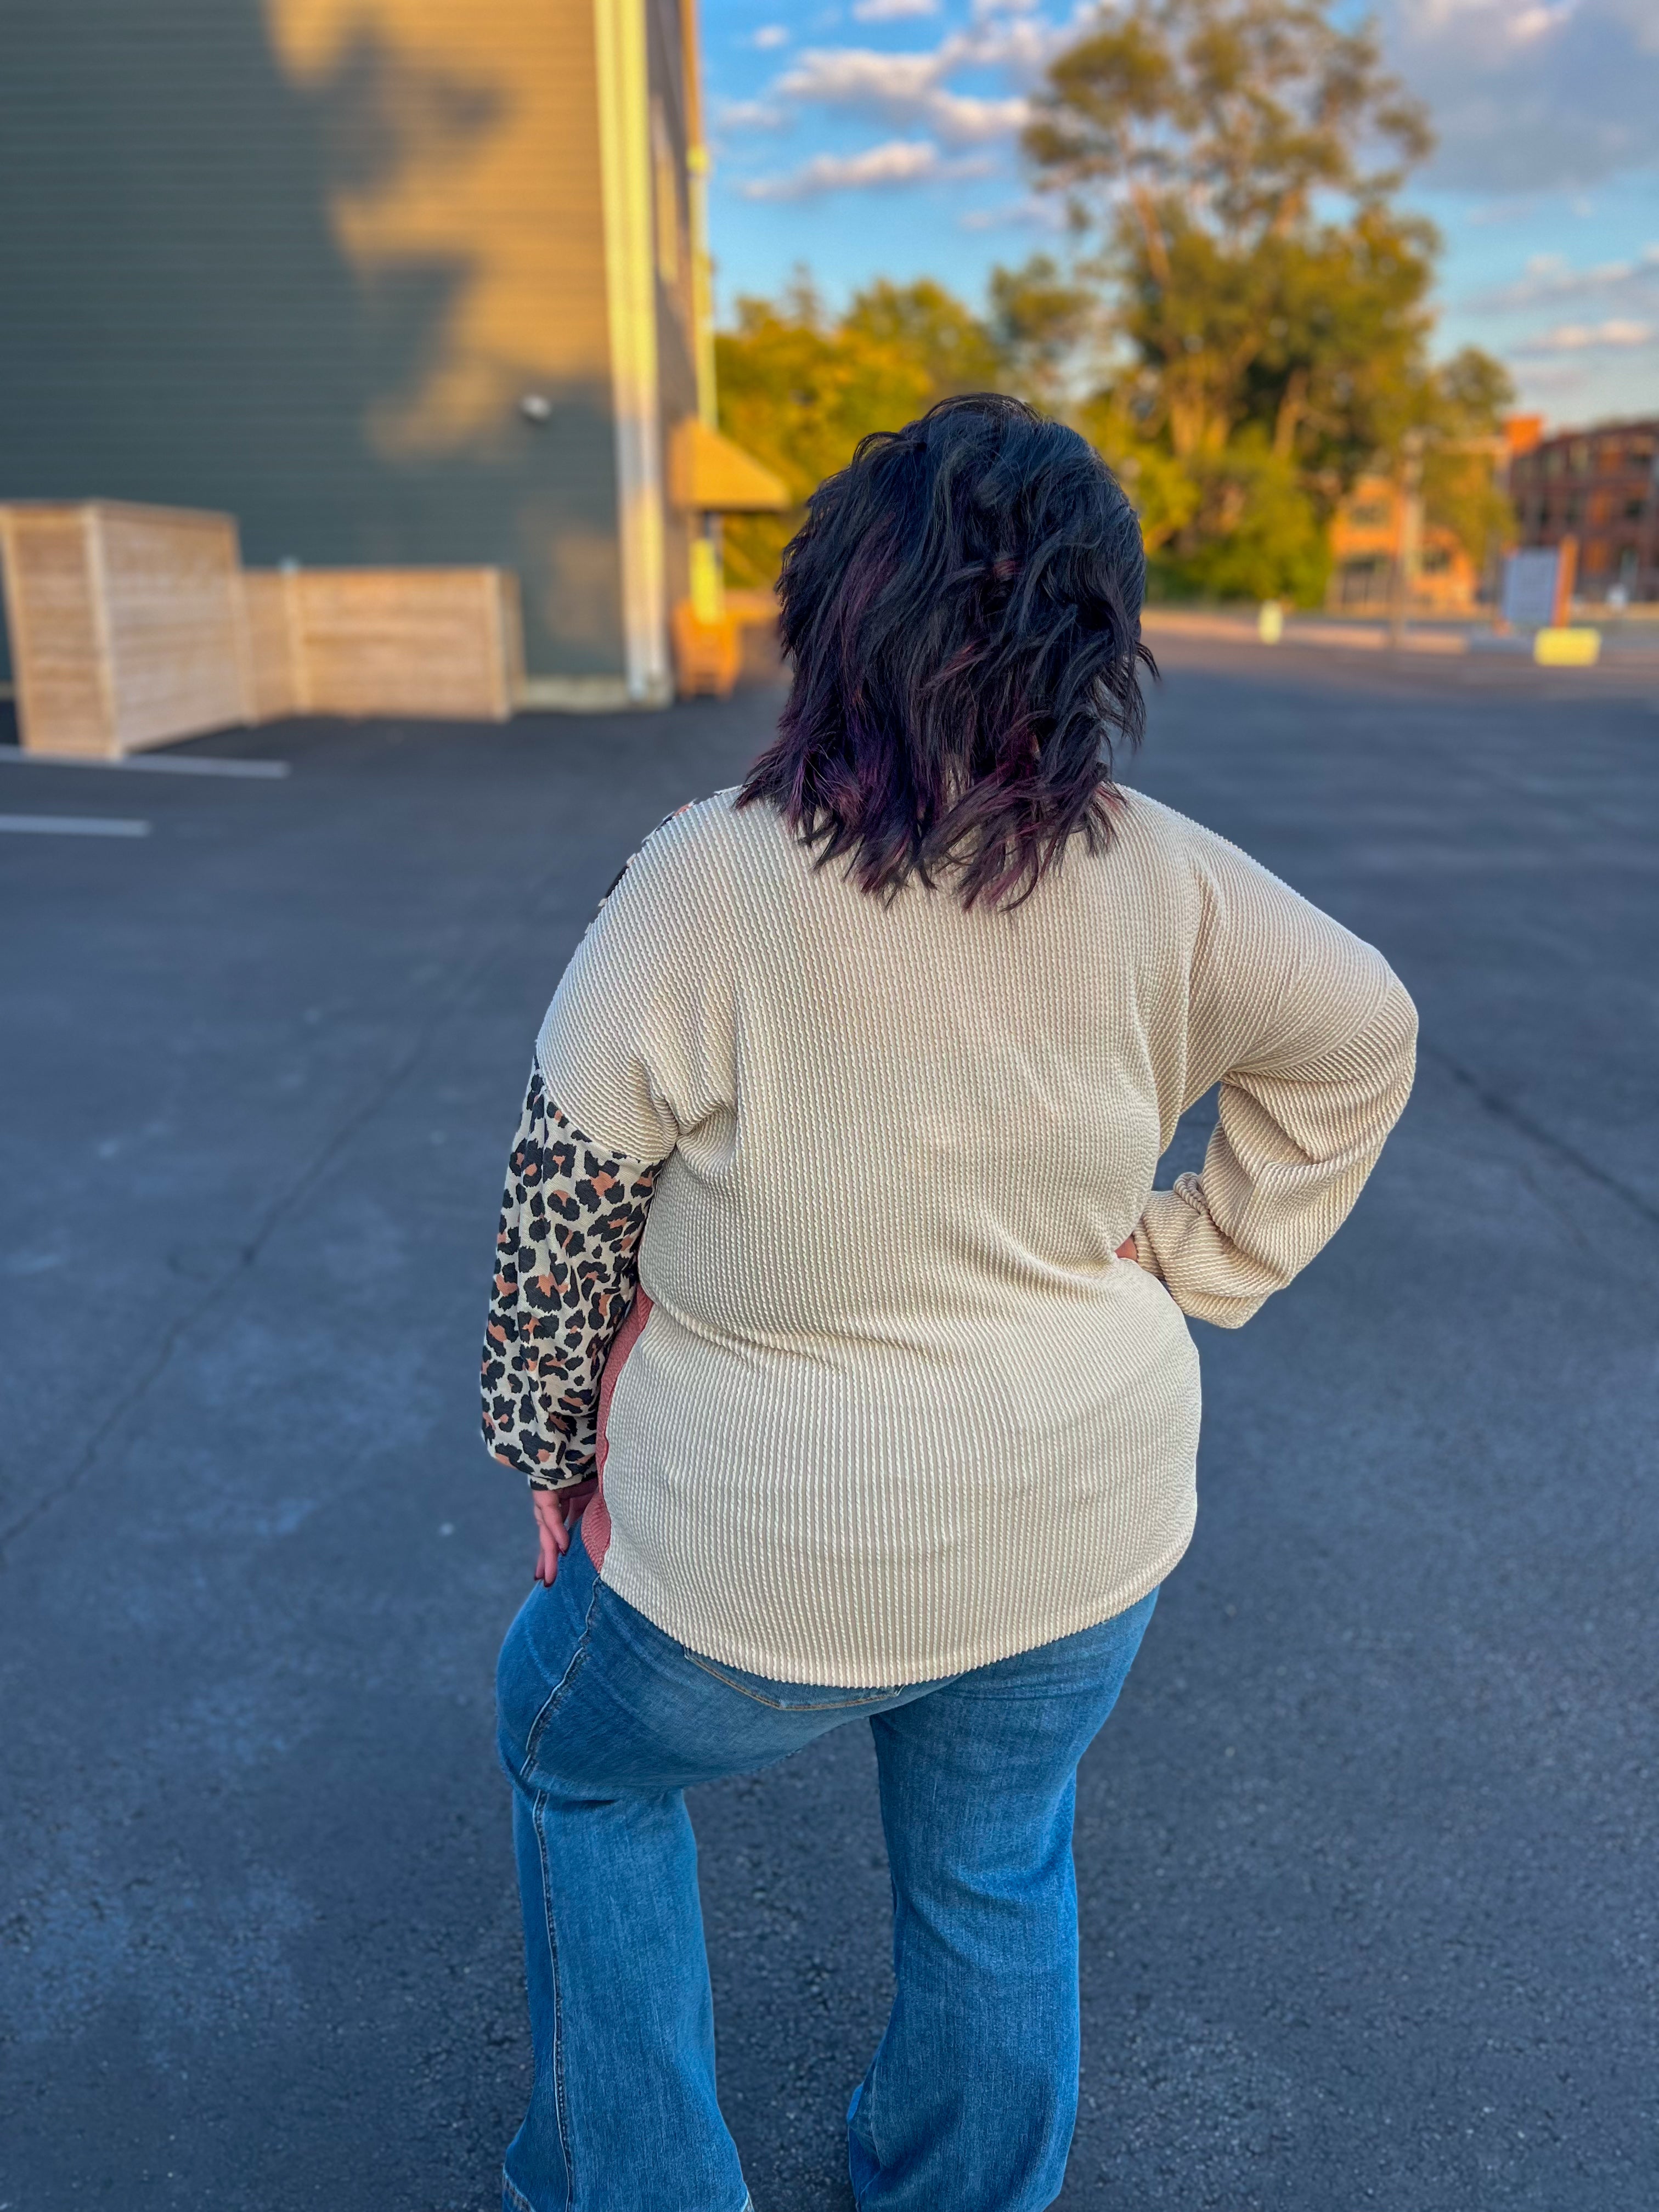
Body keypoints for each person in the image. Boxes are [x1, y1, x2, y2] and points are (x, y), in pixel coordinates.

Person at [481, 393, 1416, 2212]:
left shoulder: (715, 877)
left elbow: (561, 1198)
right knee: (996, 1862)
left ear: (836, 610)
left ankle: (635, 2188)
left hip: (754, 1548)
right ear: (1099, 642)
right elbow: (1362, 1027)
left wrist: (549, 1443)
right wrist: (1199, 1255)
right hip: (1082, 1515)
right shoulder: (1162, 876)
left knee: (572, 1762)